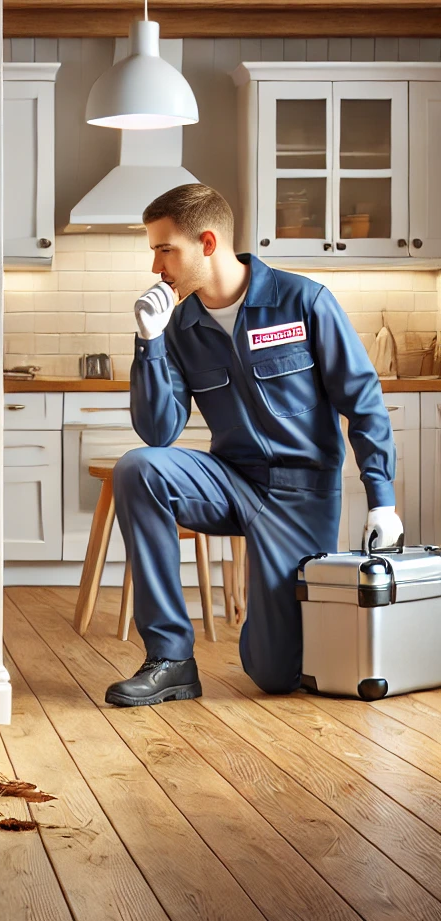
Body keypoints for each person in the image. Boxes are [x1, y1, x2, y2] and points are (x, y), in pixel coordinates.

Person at [105, 183, 402, 707]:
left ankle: (275, 640)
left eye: (165, 248)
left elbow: (363, 399)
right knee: (138, 468)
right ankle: (171, 659)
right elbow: (159, 433)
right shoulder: (179, 327)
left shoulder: (302, 301)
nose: (156, 266)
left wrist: (383, 500)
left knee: (273, 673)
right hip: (231, 480)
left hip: (300, 496)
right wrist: (150, 344)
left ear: (209, 243)